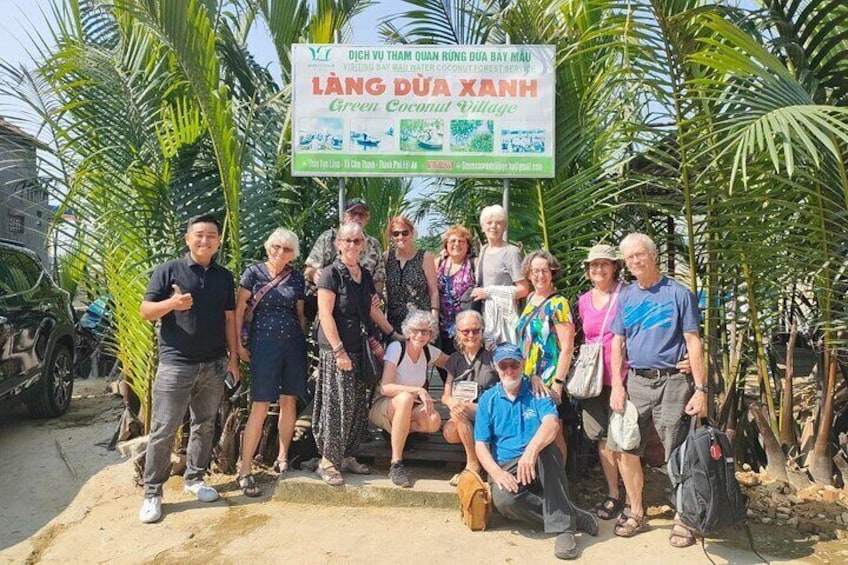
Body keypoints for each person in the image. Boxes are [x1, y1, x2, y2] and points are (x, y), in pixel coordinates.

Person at [138, 214, 238, 524]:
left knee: (205, 423)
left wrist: (233, 358)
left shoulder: (224, 276)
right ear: (187, 238)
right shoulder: (168, 270)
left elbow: (230, 320)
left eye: (211, 235)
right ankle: (153, 492)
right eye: (199, 235)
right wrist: (172, 304)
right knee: (164, 429)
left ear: (219, 241)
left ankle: (195, 479)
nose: (205, 240)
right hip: (176, 364)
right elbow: (145, 312)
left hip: (214, 363)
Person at [609, 233, 707, 546]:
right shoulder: (626, 297)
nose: (635, 261)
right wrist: (617, 386)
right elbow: (617, 342)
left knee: (677, 450)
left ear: (654, 256)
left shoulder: (679, 293)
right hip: (636, 380)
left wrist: (701, 389)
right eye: (629, 258)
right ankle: (636, 510)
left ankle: (684, 517)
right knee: (625, 447)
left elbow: (693, 340)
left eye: (640, 255)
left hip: (674, 382)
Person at [475, 343, 598, 561]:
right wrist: (496, 473)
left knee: (548, 448)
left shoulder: (537, 391)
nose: (509, 370)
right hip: (507, 465)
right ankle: (572, 516)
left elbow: (551, 424)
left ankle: (564, 531)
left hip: (537, 461)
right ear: (496, 367)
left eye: (514, 364)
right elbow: (481, 445)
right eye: (504, 366)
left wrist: (531, 451)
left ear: (522, 364)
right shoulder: (488, 399)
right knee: (503, 501)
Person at [313, 222, 397, 486]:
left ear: (363, 245)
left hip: (360, 349)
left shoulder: (364, 274)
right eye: (347, 241)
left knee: (358, 405)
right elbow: (325, 314)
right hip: (337, 350)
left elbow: (372, 310)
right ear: (338, 243)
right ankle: (327, 461)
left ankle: (348, 455)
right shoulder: (330, 274)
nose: (352, 245)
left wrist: (393, 333)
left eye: (357, 241)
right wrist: (338, 350)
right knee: (337, 405)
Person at [233, 228, 307, 496]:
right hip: (263, 345)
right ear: (268, 246)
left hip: (292, 345)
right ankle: (245, 470)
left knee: (289, 401)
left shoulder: (296, 278)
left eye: (287, 249)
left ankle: (283, 457)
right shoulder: (253, 273)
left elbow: (300, 314)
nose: (280, 252)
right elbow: (240, 309)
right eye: (276, 246)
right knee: (260, 405)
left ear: (293, 254)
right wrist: (239, 344)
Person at [576, 244, 633, 520]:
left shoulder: (626, 294)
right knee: (600, 437)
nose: (598, 269)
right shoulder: (584, 300)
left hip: (620, 377)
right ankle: (613, 494)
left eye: (604, 264)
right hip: (592, 379)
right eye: (594, 265)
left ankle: (634, 499)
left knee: (621, 438)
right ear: (588, 270)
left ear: (614, 267)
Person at [370, 310, 448, 487]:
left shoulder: (429, 352)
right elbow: (386, 387)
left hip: (407, 410)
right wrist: (418, 390)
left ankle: (397, 432)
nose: (420, 335)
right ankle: (396, 463)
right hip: (384, 406)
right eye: (416, 330)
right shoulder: (397, 348)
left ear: (431, 334)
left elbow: (453, 364)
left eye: (425, 331)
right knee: (405, 398)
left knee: (433, 421)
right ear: (408, 331)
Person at [515, 249, 574, 462]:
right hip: (528, 377)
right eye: (535, 271)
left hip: (548, 378)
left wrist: (558, 382)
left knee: (554, 430)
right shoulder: (530, 298)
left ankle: (560, 485)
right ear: (528, 274)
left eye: (544, 270)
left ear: (552, 273)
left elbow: (567, 347)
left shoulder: (559, 303)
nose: (540, 275)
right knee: (535, 429)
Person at [441, 310, 498, 485]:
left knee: (460, 410)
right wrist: (450, 401)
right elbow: (446, 395)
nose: (471, 335)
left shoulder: (493, 356)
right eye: (465, 331)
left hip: (488, 411)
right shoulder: (455, 359)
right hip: (463, 415)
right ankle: (475, 462)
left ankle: (472, 465)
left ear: (482, 331)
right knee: (452, 427)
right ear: (458, 333)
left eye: (475, 330)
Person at [304, 198, 386, 319]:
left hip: (363, 313)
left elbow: (379, 277)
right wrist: (315, 273)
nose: (357, 218)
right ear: (344, 216)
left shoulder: (374, 244)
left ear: (367, 219)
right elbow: (308, 270)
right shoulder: (328, 238)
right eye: (353, 213)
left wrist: (377, 295)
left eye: (361, 215)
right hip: (331, 310)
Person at [470, 205, 529, 347]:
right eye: (489, 223)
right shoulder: (484, 250)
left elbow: (524, 289)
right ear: (483, 227)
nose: (493, 226)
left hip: (505, 320)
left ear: (504, 226)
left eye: (498, 223)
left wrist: (489, 292)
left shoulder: (512, 252)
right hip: (485, 317)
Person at [384, 216, 439, 332]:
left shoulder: (425, 257)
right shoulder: (386, 257)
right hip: (394, 325)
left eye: (405, 233)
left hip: (421, 325)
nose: (400, 237)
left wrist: (434, 321)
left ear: (412, 233)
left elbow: (433, 291)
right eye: (396, 234)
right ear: (391, 237)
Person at [435, 225, 476, 361]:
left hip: (467, 331)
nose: (457, 244)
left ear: (467, 245)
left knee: (466, 369)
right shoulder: (438, 263)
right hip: (443, 330)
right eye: (452, 241)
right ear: (446, 245)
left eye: (461, 241)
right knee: (446, 367)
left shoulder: (474, 264)